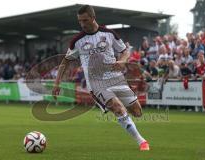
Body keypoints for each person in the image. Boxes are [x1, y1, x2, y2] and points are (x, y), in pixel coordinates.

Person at [52, 5, 149, 151]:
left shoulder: (109, 33)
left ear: (93, 17)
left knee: (137, 112)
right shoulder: (77, 41)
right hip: (96, 82)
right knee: (118, 108)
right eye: (80, 21)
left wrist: (122, 61)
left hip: (116, 78)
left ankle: (120, 115)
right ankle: (142, 142)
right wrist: (57, 83)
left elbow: (125, 51)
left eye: (85, 20)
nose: (82, 24)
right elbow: (65, 61)